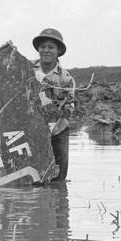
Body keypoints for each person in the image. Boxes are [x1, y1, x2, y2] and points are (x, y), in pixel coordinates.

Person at [32, 28, 75, 182]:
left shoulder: (65, 78)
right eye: (42, 47)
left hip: (57, 131)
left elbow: (69, 108)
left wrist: (55, 108)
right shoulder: (27, 70)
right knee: (32, 175)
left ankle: (59, 203)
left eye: (51, 47)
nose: (46, 50)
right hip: (31, 130)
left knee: (59, 178)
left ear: (59, 51)